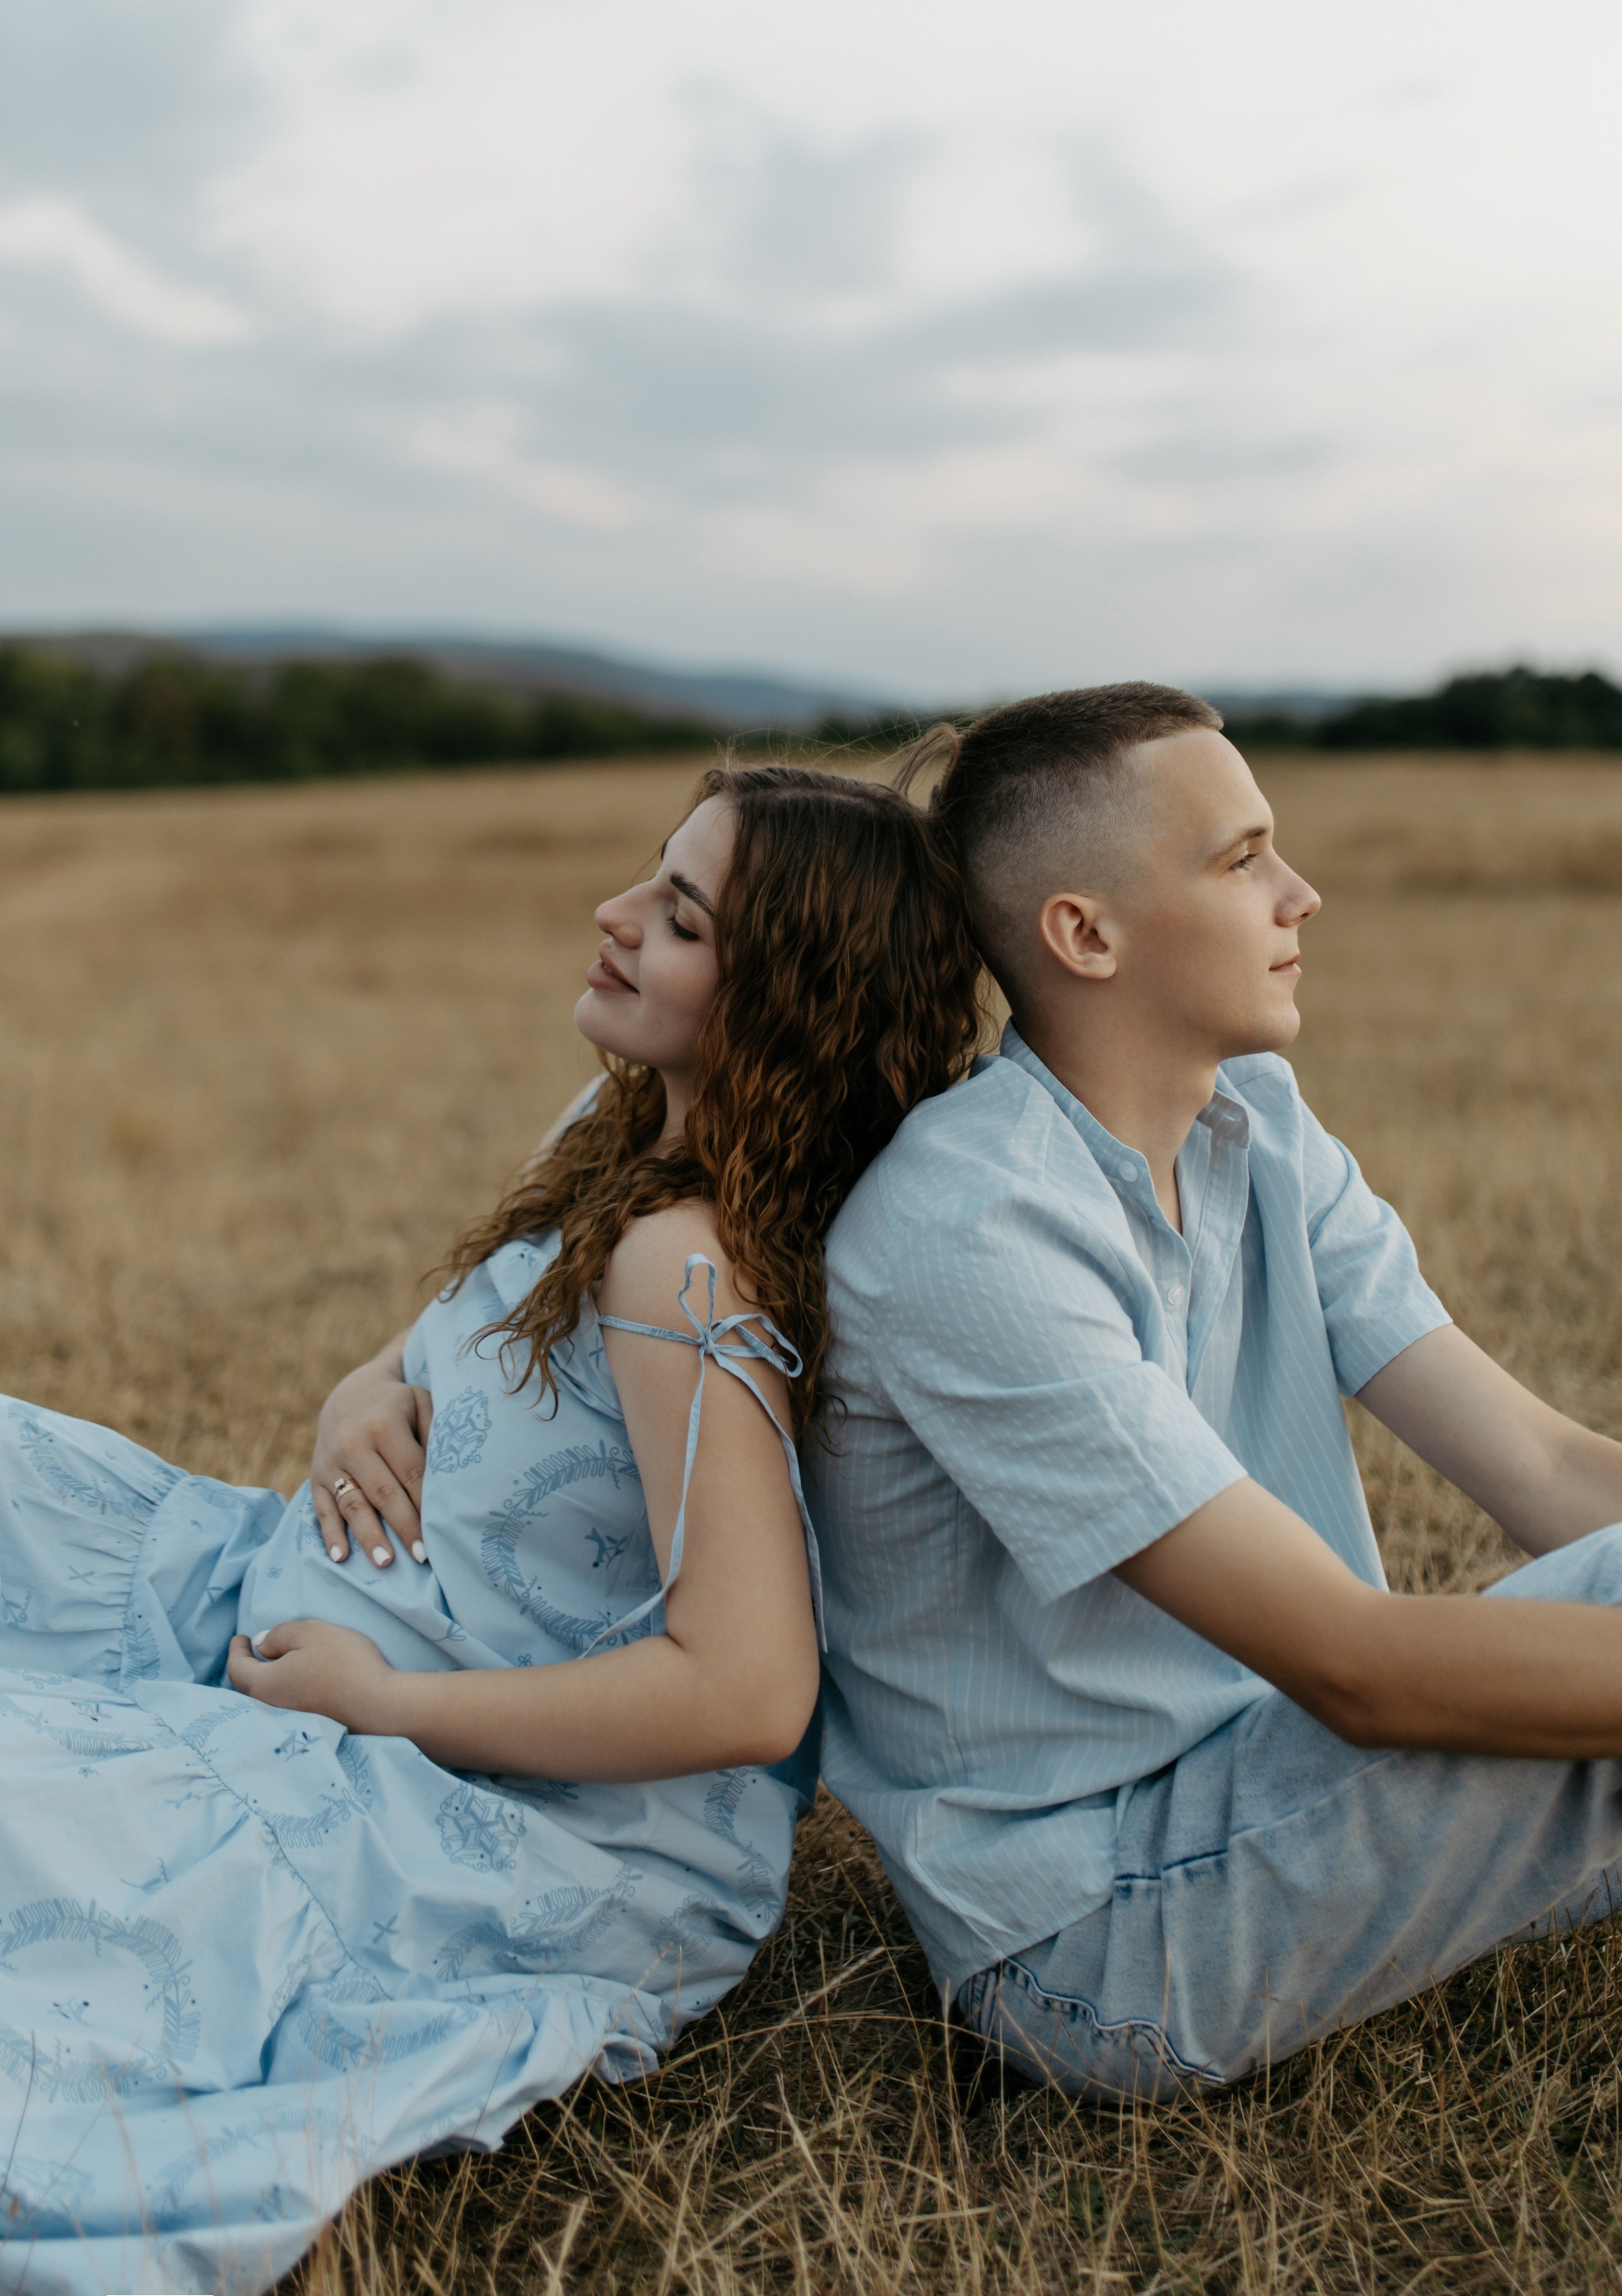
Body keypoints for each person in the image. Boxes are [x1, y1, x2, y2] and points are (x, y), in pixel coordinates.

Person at [0, 762, 981, 2296]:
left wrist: (383, 1702)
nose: (611, 919)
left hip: (451, 1791)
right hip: (269, 1617)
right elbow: (435, 1346)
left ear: (783, 997)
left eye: (677, 918)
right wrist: (355, 1393)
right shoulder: (613, 1134)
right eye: (646, 880)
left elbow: (747, 1688)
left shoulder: (682, 1270)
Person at [804, 683, 1622, 2103]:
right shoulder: (968, 1228)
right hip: (1099, 1938)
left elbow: (1548, 1474)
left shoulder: (1256, 1123)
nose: (1298, 894)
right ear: (1083, 932)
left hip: (1271, 1781)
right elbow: (1353, 1669)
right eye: (1240, 859)